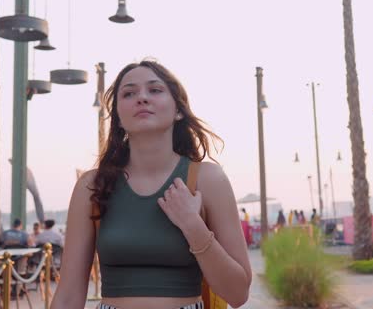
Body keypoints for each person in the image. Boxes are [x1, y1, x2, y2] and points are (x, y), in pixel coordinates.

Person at [51, 60, 252, 309]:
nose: (142, 98)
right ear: (118, 118)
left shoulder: (208, 180)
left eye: (155, 90)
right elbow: (69, 295)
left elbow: (238, 294)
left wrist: (193, 226)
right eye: (129, 93)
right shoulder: (92, 186)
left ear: (178, 110)